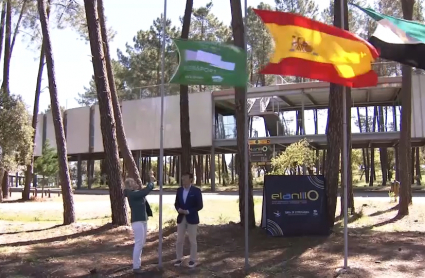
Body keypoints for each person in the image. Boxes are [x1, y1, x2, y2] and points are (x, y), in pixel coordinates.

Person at [124, 175, 155, 274]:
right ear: (130, 186)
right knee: (138, 243)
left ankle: (138, 264)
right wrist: (151, 183)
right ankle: (136, 267)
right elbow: (145, 192)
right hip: (137, 221)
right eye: (133, 182)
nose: (135, 183)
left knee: (141, 243)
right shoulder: (131, 194)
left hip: (143, 220)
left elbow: (143, 194)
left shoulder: (136, 193)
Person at [173, 172, 203, 268]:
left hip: (192, 218)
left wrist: (189, 211)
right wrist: (179, 209)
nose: (183, 180)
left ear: (190, 179)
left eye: (185, 178)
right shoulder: (179, 190)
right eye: (182, 179)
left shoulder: (196, 191)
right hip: (181, 218)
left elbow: (200, 205)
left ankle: (192, 260)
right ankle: (178, 259)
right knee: (179, 240)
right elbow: (176, 203)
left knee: (192, 240)